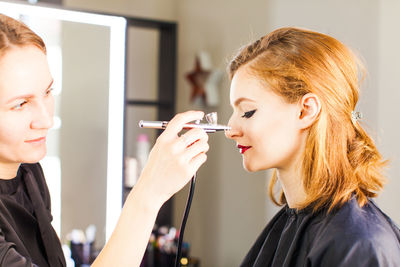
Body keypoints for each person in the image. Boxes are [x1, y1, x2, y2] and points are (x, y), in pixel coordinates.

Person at [0, 14, 209, 266]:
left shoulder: (29, 174)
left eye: (47, 92)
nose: (46, 120)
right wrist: (148, 193)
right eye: (20, 104)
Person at [225, 27, 400, 266]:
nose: (229, 130)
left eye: (247, 112)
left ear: (306, 110)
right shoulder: (290, 222)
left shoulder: (358, 244)